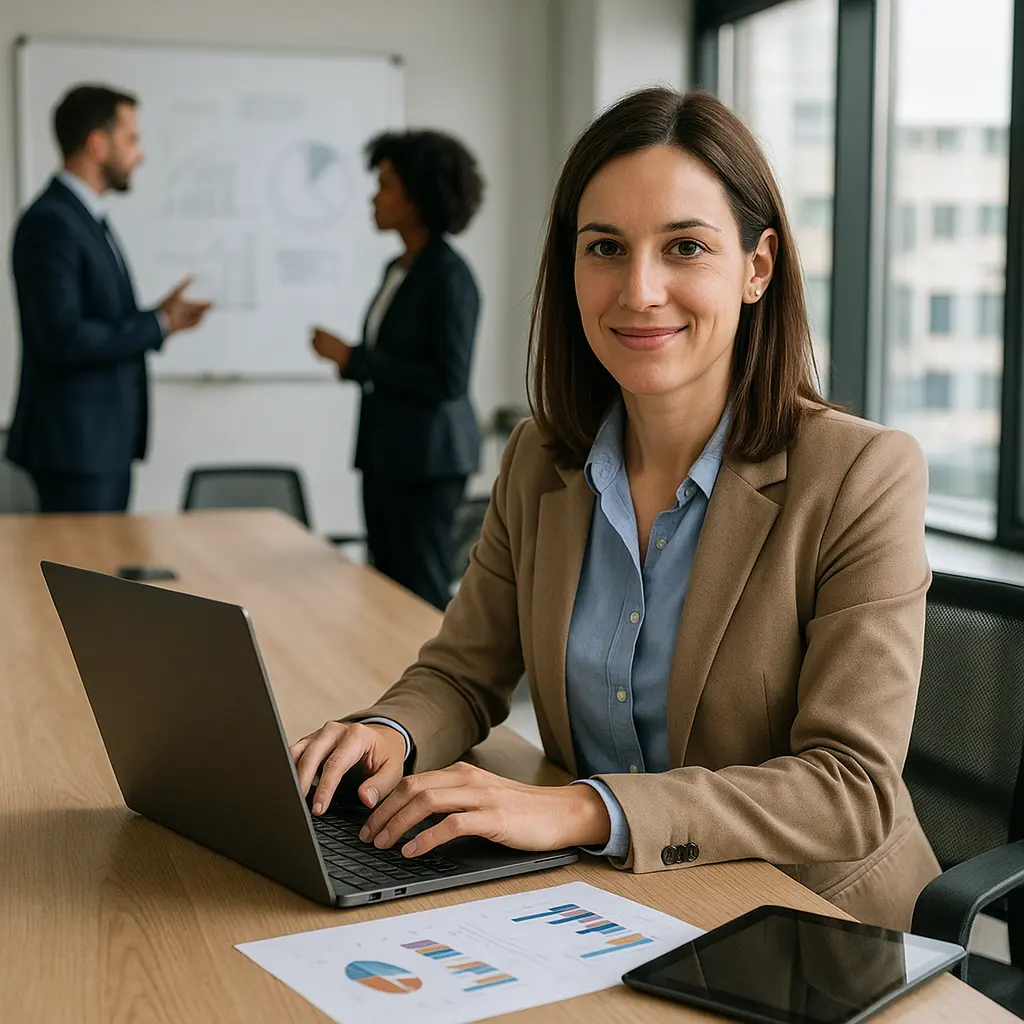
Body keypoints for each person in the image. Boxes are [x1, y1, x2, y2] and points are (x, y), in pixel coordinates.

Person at [292, 88, 940, 930]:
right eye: (606, 247)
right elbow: (461, 673)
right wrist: (388, 734)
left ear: (757, 267)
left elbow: (848, 790)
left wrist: (584, 810)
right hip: (604, 907)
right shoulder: (541, 460)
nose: (639, 290)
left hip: (804, 921)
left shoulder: (861, 474)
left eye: (685, 247)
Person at [6, 84, 211, 514]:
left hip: (100, 446)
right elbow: (61, 337)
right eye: (131, 140)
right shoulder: (53, 222)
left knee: (95, 573)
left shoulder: (84, 218)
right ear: (98, 145)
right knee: (81, 576)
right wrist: (156, 325)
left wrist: (160, 319)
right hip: (76, 448)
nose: (140, 154)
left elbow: (96, 318)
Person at [309, 130, 484, 610]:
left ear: (417, 195)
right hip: (387, 453)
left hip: (427, 461)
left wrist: (354, 359)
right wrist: (352, 365)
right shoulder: (398, 268)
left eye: (385, 184)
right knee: (383, 585)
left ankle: (429, 685)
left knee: (417, 588)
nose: (373, 196)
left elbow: (448, 379)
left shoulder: (449, 276)